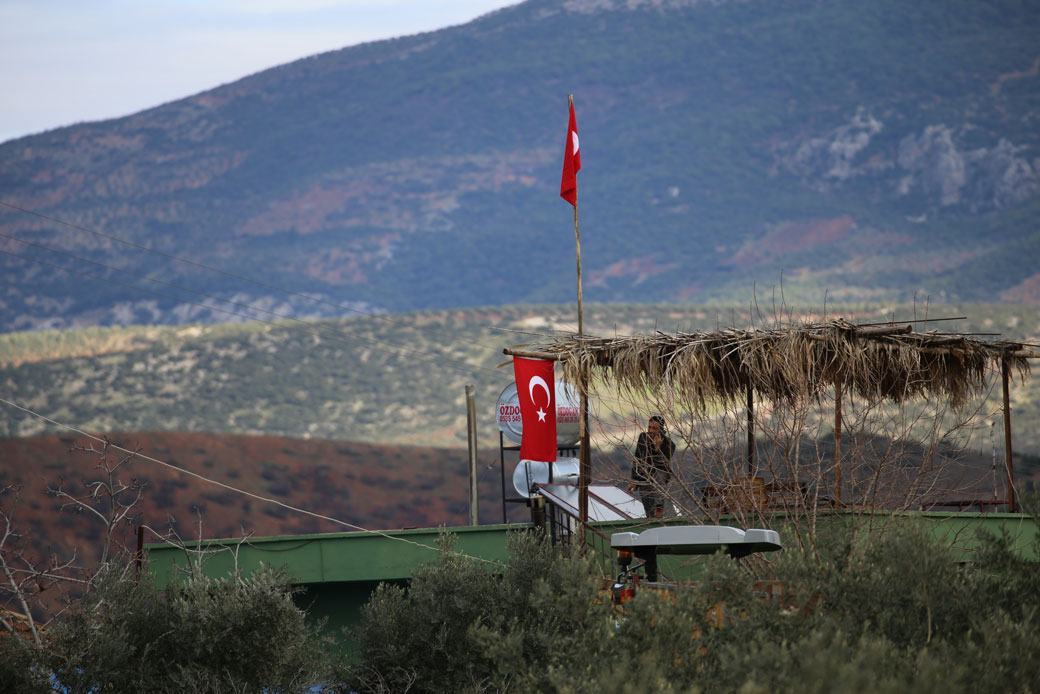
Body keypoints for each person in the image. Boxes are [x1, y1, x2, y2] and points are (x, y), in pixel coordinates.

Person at [626, 415, 675, 518]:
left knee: (659, 476)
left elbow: (660, 464)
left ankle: (659, 507)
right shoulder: (643, 438)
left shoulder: (669, 444)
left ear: (661, 429)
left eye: (655, 428)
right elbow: (638, 458)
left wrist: (657, 449)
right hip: (645, 475)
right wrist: (634, 480)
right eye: (650, 427)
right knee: (647, 504)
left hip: (659, 474)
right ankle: (651, 518)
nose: (651, 430)